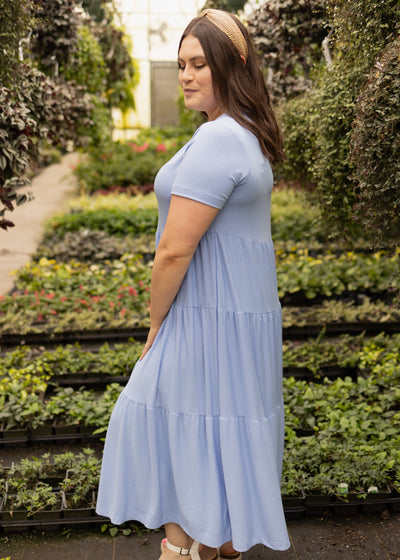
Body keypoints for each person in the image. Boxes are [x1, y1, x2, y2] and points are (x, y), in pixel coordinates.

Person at [96, 8, 290, 559]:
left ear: (230, 65)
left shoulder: (219, 139)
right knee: (211, 435)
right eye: (181, 64)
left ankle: (180, 549)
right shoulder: (234, 131)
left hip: (206, 317)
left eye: (199, 64)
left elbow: (174, 250)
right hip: (229, 315)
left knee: (179, 430)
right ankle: (207, 545)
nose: (185, 74)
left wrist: (157, 322)